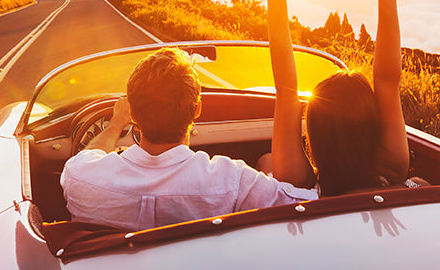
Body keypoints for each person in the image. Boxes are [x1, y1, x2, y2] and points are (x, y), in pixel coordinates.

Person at [60, 47, 316, 230]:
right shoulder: (231, 181)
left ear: (134, 114)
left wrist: (116, 123)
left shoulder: (79, 177)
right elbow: (307, 203)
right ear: (197, 110)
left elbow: (88, 156)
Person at [266, 0, 424, 196]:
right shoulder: (393, 168)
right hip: (397, 187)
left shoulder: (299, 182)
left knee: (266, 162)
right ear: (374, 125)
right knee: (419, 182)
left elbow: (286, 91)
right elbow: (387, 80)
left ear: (313, 134)